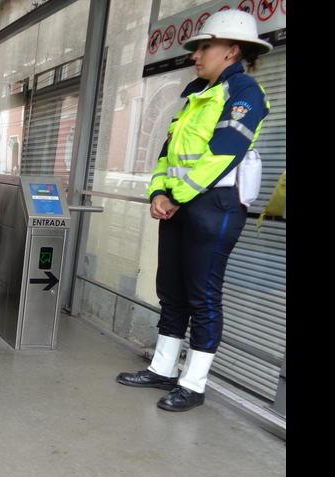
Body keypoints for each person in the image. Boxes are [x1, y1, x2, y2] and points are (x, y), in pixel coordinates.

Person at [116, 11, 272, 412]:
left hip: (215, 205)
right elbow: (168, 154)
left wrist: (177, 195)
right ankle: (163, 369)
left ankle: (194, 383)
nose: (195, 55)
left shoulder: (243, 93)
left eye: (205, 46)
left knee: (203, 295)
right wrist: (159, 193)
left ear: (232, 50)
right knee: (172, 290)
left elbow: (223, 153)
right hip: (182, 204)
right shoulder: (195, 97)